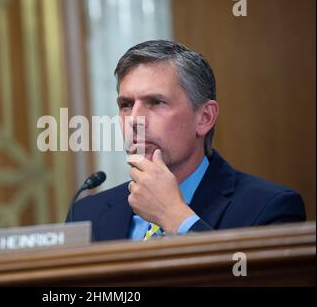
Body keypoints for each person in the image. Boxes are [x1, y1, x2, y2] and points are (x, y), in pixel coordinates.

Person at [66, 40, 306, 242]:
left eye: (156, 102)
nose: (135, 120)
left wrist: (175, 218)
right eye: (126, 105)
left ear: (204, 118)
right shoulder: (86, 214)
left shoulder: (270, 209)